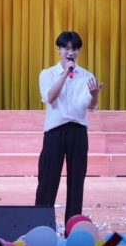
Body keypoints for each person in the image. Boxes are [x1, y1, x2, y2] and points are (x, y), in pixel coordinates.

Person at [35, 31, 103, 229]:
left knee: (76, 183)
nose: (70, 52)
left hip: (78, 132)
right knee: (48, 180)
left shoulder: (87, 76)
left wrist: (95, 96)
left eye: (74, 48)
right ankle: (41, 228)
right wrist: (65, 73)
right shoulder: (47, 74)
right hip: (55, 132)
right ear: (59, 49)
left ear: (79, 51)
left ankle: (72, 229)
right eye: (66, 48)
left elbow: (90, 106)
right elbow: (50, 97)